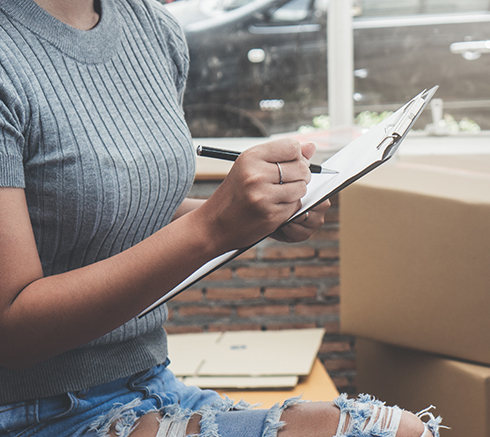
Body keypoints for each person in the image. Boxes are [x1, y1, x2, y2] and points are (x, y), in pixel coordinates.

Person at [0, 0, 444, 436]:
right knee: (386, 432)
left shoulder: (153, 28)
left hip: (151, 382)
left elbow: (116, 207)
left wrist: (259, 215)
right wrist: (213, 225)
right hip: (38, 411)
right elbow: (12, 331)